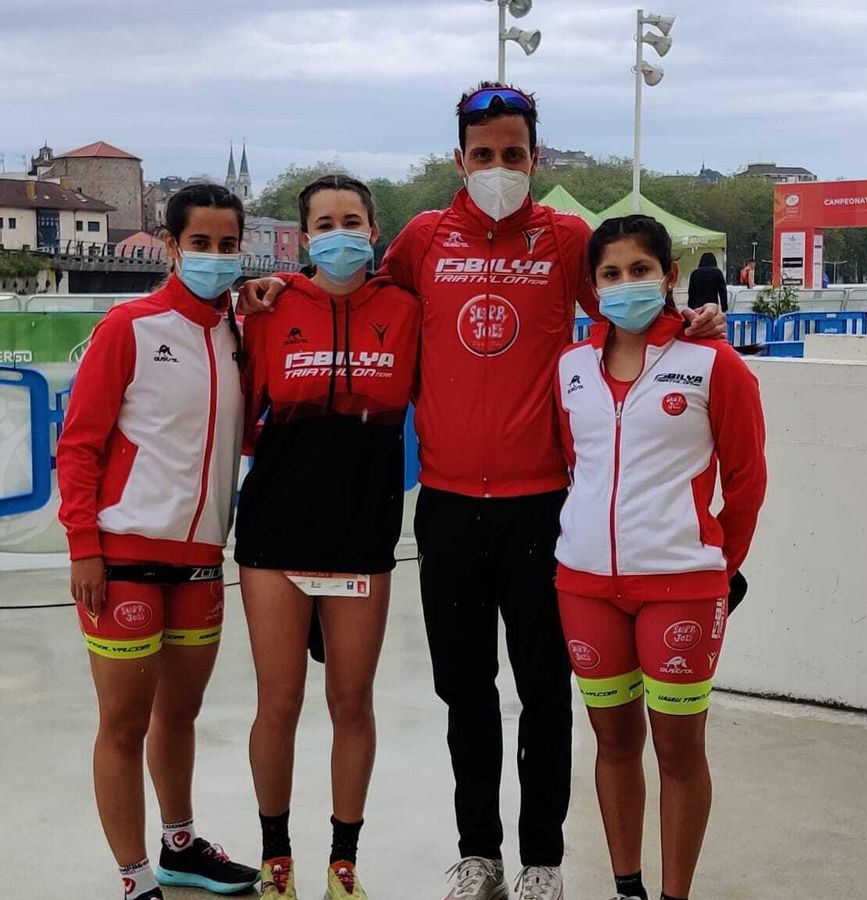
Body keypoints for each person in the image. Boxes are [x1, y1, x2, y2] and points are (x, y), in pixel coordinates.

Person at [237, 82, 725, 900]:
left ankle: (542, 862)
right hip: (451, 507)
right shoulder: (425, 239)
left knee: (544, 690)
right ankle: (479, 855)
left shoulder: (566, 236)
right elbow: (357, 295)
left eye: (514, 154)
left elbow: (620, 312)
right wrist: (274, 288)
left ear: (535, 158)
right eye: (483, 155)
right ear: (459, 158)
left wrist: (686, 325)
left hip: (543, 507)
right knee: (465, 691)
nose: (499, 167)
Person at [57, 183, 260, 900]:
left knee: (180, 715)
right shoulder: (130, 326)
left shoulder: (241, 336)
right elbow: (78, 444)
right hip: (123, 555)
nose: (213, 255)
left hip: (203, 559)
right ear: (170, 246)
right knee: (122, 723)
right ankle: (134, 877)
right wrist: (83, 543)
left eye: (227, 244)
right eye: (199, 243)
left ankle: (179, 847)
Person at [555, 215, 766, 900]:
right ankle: (628, 888)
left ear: (669, 275)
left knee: (678, 752)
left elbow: (746, 479)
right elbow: (573, 467)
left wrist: (715, 565)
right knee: (612, 745)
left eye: (639, 270)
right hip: (585, 586)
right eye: (610, 274)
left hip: (681, 586)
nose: (625, 285)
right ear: (594, 287)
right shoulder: (572, 368)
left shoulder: (714, 364)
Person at [234, 175, 421, 900]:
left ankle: (344, 860)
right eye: (323, 222)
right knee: (278, 701)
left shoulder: (407, 310)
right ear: (304, 236)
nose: (338, 232)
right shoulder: (271, 309)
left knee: (351, 700)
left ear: (374, 230)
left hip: (363, 530)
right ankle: (275, 855)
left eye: (352, 220)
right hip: (276, 529)